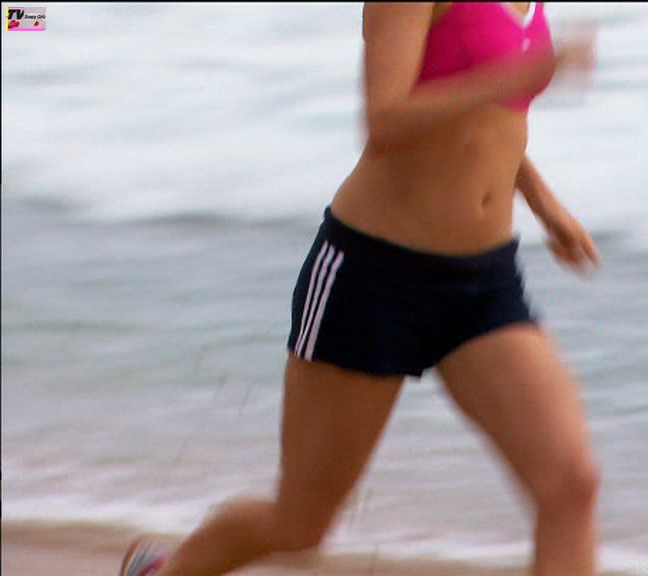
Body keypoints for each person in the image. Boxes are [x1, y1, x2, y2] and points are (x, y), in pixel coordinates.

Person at [120, 2, 602, 575]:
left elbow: (488, 122)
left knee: (571, 484)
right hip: (373, 277)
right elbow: (386, 120)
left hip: (482, 280)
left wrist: (544, 203)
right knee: (300, 526)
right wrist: (516, 75)